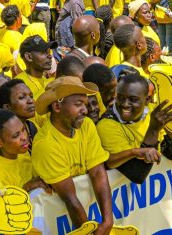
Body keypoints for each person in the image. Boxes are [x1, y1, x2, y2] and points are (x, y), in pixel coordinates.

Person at [31, 76, 114, 235]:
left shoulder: (86, 125)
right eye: (78, 104)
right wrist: (89, 232)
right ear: (56, 106)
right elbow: (70, 198)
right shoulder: (45, 144)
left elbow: (97, 172)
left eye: (86, 104)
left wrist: (108, 221)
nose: (85, 110)